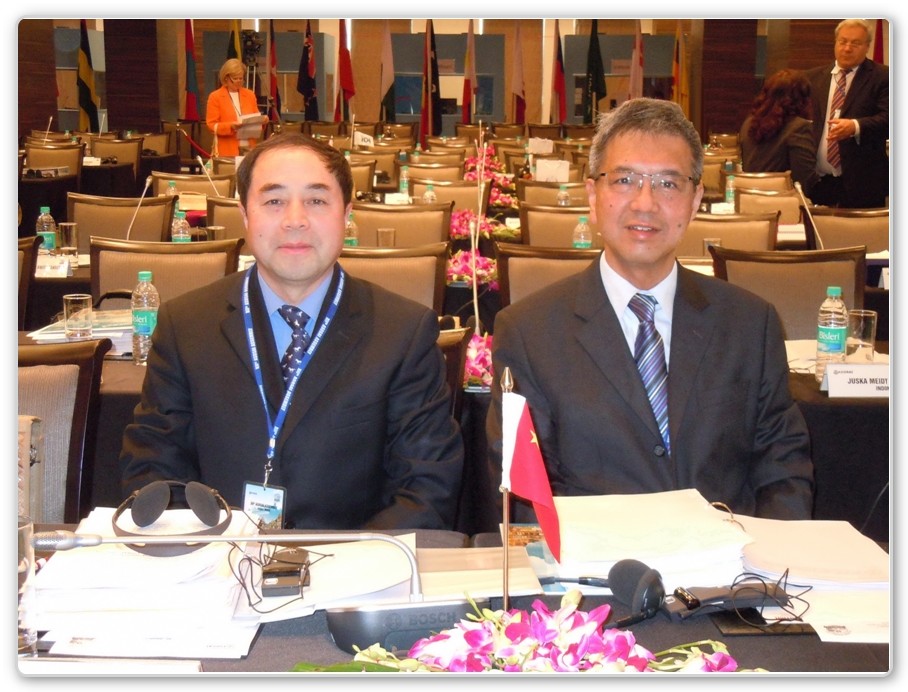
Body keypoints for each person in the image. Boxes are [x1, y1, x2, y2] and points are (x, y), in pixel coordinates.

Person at [486, 98, 813, 522]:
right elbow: (527, 496)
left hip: (729, 574)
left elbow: (782, 467)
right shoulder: (529, 332)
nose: (645, 203)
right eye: (624, 180)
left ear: (695, 200)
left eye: (667, 184)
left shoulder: (750, 323)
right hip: (596, 579)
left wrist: (767, 566)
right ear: (593, 194)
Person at [120, 134, 464, 530]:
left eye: (317, 201)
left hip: (353, 575)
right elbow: (152, 467)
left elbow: (425, 489)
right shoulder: (186, 325)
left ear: (347, 215)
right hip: (218, 568)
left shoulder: (403, 332)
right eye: (274, 201)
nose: (295, 220)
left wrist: (336, 574)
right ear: (245, 216)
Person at [806, 19, 888, 208]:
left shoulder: (883, 77)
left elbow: (890, 119)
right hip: (819, 180)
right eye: (842, 41)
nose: (847, 48)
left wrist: (855, 126)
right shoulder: (814, 77)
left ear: (867, 46)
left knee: (859, 237)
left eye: (855, 43)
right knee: (818, 236)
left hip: (863, 182)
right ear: (835, 43)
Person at [738, 68, 818, 195]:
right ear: (802, 99)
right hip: (783, 205)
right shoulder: (799, 127)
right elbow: (804, 183)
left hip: (749, 199)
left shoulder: (748, 124)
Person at [206, 58, 266, 157]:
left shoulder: (250, 94)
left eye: (241, 78)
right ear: (226, 78)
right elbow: (211, 125)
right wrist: (230, 126)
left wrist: (262, 120)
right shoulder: (215, 97)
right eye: (235, 78)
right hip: (227, 149)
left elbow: (255, 118)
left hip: (249, 148)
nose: (239, 81)